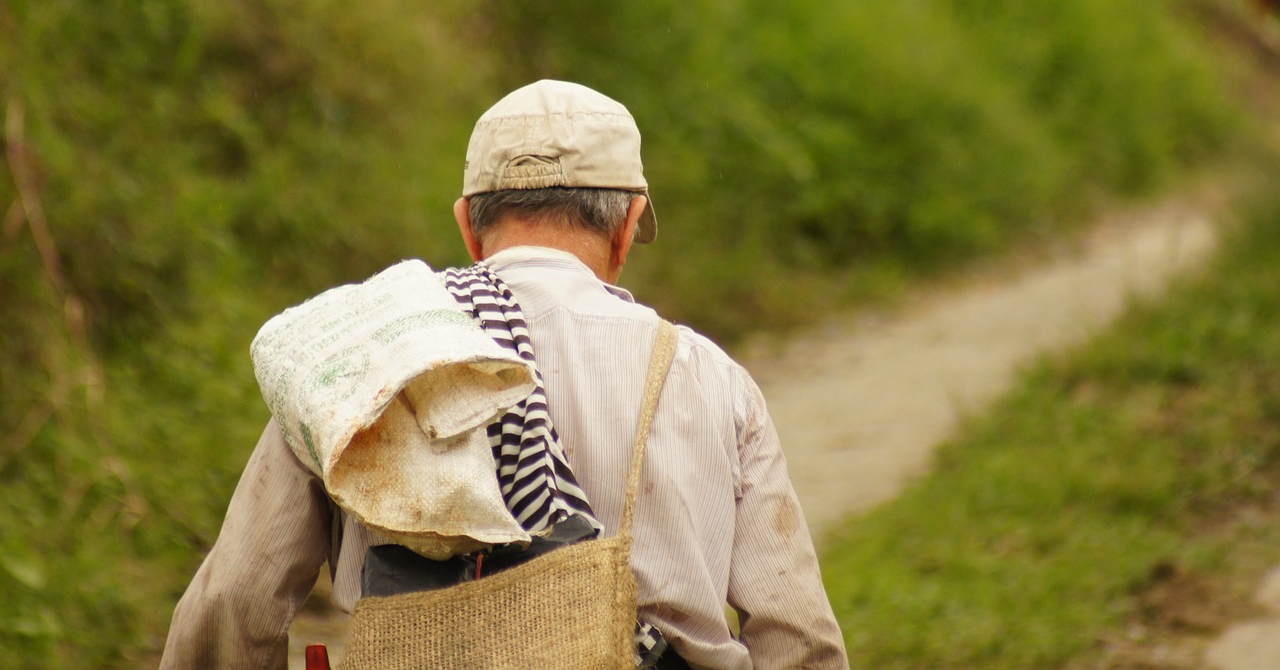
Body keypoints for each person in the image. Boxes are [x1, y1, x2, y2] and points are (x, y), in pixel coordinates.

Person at [160, 79, 849, 669]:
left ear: (468, 225)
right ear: (626, 225)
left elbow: (234, 601)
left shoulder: (364, 361)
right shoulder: (710, 379)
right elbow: (798, 639)